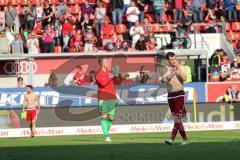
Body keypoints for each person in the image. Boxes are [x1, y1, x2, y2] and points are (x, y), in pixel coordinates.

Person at [160, 52, 189, 145]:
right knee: (178, 120)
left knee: (177, 118)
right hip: (170, 96)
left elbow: (184, 78)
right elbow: (164, 79)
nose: (173, 61)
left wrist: (178, 70)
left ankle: (172, 138)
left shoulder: (181, 67)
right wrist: (171, 72)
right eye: (171, 60)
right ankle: (185, 140)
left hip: (180, 95)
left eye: (174, 59)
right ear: (168, 61)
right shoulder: (166, 69)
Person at [95, 57, 122, 142]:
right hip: (103, 97)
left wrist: (117, 75)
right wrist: (111, 75)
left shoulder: (111, 72)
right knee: (104, 115)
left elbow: (118, 82)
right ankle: (106, 135)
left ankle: (105, 132)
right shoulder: (98, 73)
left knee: (111, 118)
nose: (107, 63)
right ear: (101, 63)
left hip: (111, 97)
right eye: (105, 61)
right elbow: (103, 83)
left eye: (107, 61)